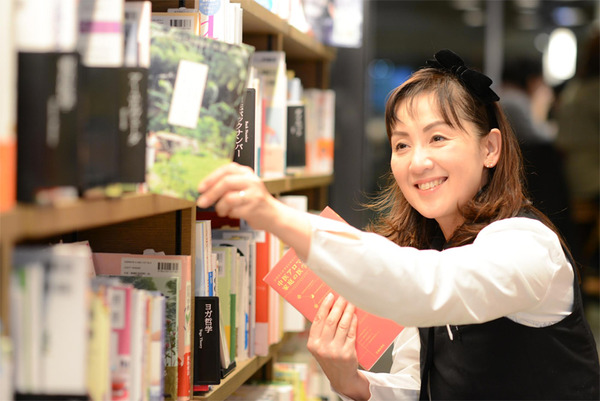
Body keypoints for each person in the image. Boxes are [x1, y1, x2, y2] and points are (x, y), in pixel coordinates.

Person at [196, 49, 600, 400]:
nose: (418, 162)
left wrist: (272, 214)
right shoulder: (431, 248)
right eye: (402, 144)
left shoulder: (528, 246)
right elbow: (420, 385)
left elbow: (425, 285)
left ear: (490, 148)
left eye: (438, 138)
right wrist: (352, 381)